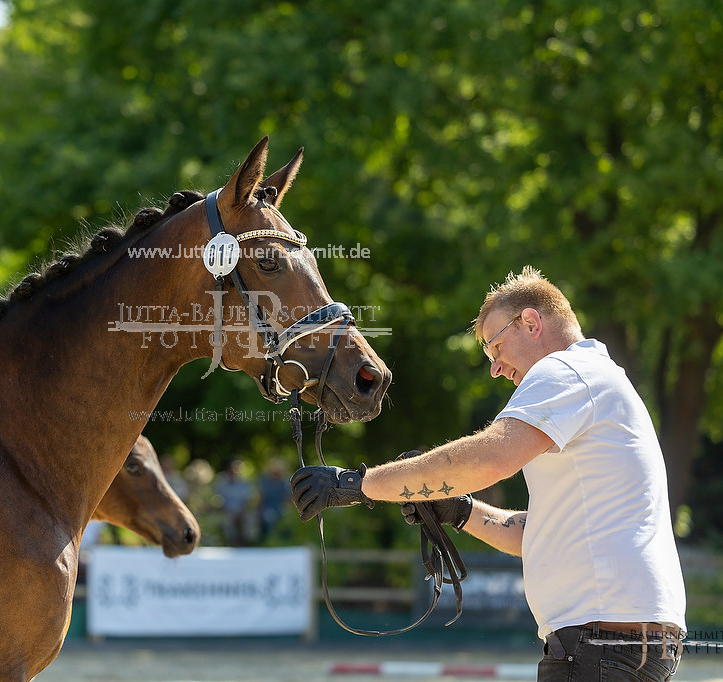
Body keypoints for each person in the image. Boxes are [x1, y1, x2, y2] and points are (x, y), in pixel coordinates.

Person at [290, 266, 686, 681]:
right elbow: (539, 533)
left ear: (531, 322)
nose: (495, 368)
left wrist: (356, 485)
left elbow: (488, 458)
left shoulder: (567, 371)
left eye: (495, 348)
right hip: (622, 640)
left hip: (598, 640)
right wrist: (459, 510)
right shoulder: (597, 381)